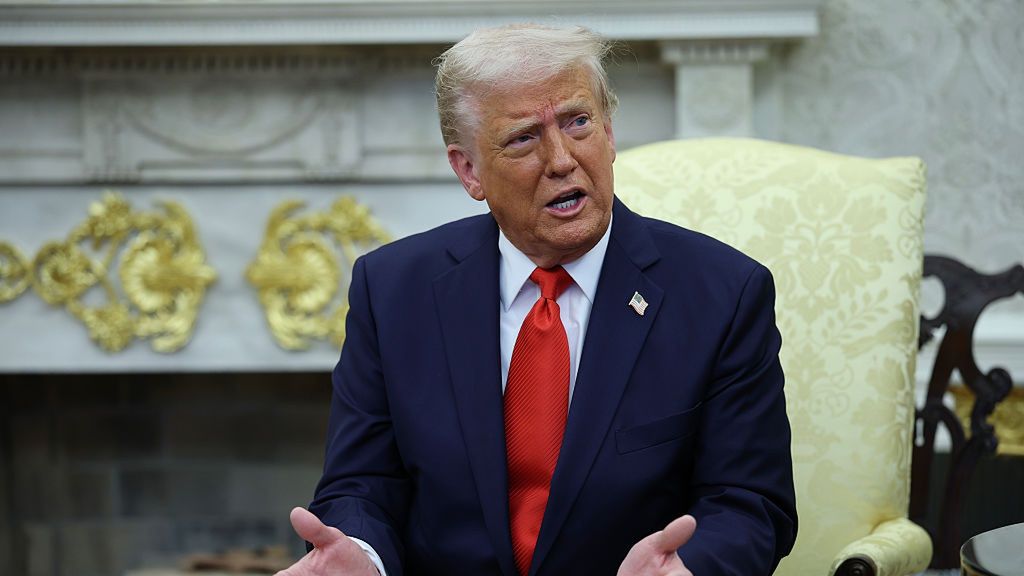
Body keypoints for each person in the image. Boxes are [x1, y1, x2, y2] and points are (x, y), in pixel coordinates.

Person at [277, 24, 797, 576]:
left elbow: (750, 502)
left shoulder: (721, 294)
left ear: (610, 132)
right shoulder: (392, 291)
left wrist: (692, 567)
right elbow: (363, 484)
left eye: (578, 123)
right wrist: (362, 556)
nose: (562, 159)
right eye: (524, 137)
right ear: (469, 170)